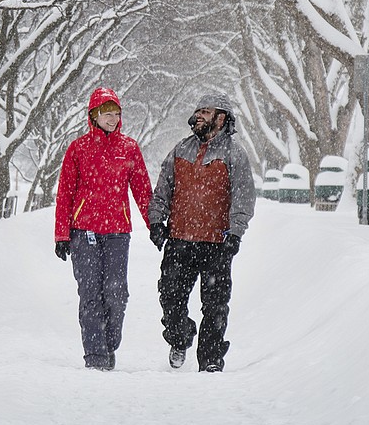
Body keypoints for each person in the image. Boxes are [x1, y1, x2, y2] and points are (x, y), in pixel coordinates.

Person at [147, 92, 256, 373]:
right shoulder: (180, 150)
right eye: (198, 112)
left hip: (217, 243)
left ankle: (210, 360)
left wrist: (235, 233)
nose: (198, 117)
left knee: (216, 306)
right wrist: (157, 222)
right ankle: (180, 337)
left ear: (221, 118)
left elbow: (243, 197)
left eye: (205, 112)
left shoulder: (235, 154)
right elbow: (163, 189)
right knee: (170, 299)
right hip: (179, 240)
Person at [54, 87, 153, 371]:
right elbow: (65, 194)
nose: (113, 118)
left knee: (116, 293)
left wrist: (155, 226)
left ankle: (109, 344)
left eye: (117, 113)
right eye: (107, 113)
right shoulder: (78, 149)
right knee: (90, 293)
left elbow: (143, 192)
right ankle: (96, 356)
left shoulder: (129, 148)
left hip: (117, 233)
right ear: (94, 116)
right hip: (83, 231)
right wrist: (62, 235)